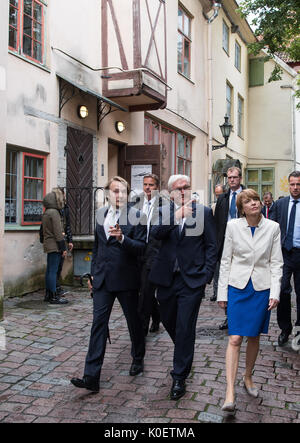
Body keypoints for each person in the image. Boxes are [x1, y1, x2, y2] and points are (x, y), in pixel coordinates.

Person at [71, 176, 147, 393]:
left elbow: (142, 248)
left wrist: (123, 239)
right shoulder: (101, 214)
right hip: (103, 279)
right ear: (107, 193)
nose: (119, 195)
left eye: (123, 191)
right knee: (98, 325)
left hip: (126, 279)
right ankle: (91, 377)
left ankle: (138, 357)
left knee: (134, 321)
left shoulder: (137, 217)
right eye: (115, 191)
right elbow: (97, 248)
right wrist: (93, 274)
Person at [149, 175, 217, 400]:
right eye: (178, 188)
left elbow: (211, 247)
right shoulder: (162, 212)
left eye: (186, 187)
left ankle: (179, 376)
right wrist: (176, 216)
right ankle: (185, 350)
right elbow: (155, 234)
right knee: (169, 321)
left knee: (185, 325)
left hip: (192, 281)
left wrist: (206, 276)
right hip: (167, 279)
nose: (183, 191)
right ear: (170, 193)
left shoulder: (204, 212)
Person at [217, 189, 283, 413]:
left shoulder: (273, 227)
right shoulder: (233, 226)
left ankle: (248, 377)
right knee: (235, 338)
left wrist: (275, 292)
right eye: (248, 201)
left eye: (255, 199)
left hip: (262, 288)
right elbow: (226, 260)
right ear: (241, 208)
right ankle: (229, 392)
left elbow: (276, 263)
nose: (254, 203)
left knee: (253, 336)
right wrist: (222, 293)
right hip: (238, 287)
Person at [270, 171, 300, 346]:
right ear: (288, 185)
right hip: (283, 254)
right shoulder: (280, 204)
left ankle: (298, 329)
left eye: (298, 184)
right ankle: (285, 329)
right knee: (282, 291)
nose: (295, 188)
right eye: (293, 184)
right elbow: (270, 229)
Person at [214, 167, 245, 329]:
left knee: (242, 279)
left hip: (244, 242)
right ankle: (229, 316)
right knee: (225, 280)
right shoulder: (223, 198)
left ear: (240, 178)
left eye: (234, 177)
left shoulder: (248, 195)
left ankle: (243, 314)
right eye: (229, 177)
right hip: (225, 243)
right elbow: (216, 222)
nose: (231, 180)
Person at [133, 174, 163, 336]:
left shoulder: (164, 204)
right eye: (145, 184)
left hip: (153, 253)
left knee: (145, 292)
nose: (147, 187)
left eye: (151, 184)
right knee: (142, 290)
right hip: (137, 251)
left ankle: (141, 330)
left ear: (156, 187)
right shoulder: (136, 203)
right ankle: (157, 315)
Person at [41, 188, 69, 305]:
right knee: (53, 271)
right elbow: (58, 233)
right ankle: (53, 297)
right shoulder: (54, 213)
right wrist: (63, 248)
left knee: (49, 271)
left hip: (49, 243)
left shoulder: (47, 211)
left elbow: (43, 230)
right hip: (55, 245)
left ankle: (48, 295)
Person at [52, 188, 74, 297]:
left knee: (59, 265)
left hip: (63, 239)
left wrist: (70, 240)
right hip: (56, 240)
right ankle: (55, 289)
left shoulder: (65, 208)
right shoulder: (53, 209)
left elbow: (67, 225)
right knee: (54, 267)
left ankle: (56, 287)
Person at [210, 184, 226, 302]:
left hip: (226, 240)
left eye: (219, 194)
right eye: (216, 194)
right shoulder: (213, 206)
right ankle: (216, 292)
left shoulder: (227, 203)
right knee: (216, 269)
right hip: (217, 241)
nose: (217, 196)